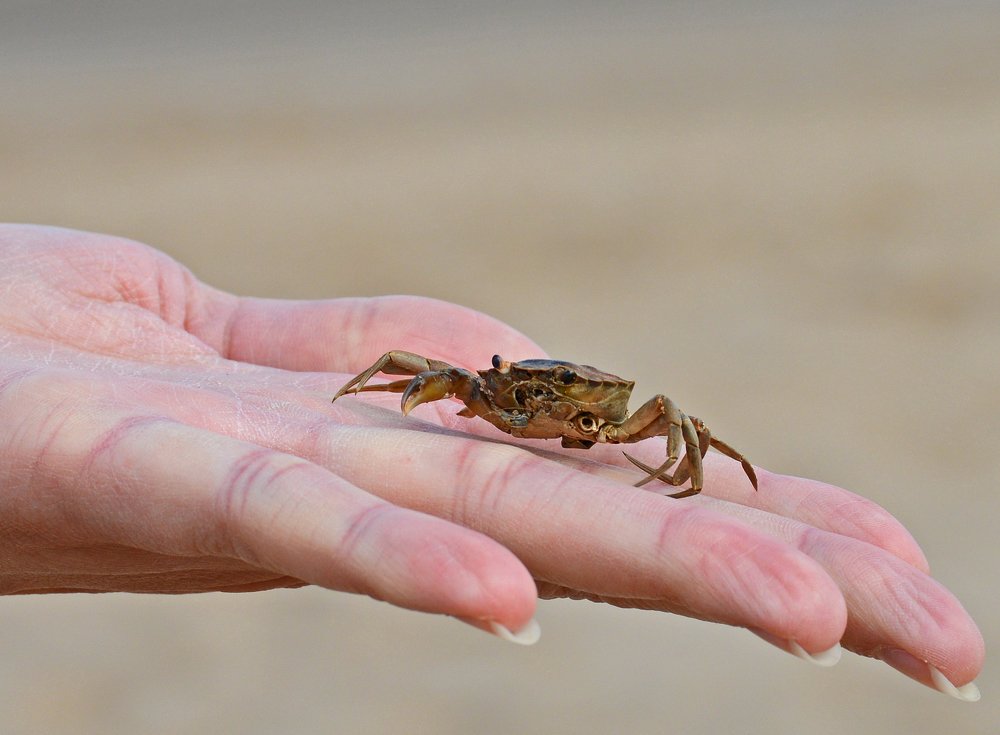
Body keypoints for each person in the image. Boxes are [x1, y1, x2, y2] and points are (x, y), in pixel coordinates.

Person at [0, 224, 982, 701]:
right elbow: (417, 370)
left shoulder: (614, 414)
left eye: (548, 397)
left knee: (687, 424)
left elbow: (677, 423)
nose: (528, 400)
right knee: (426, 372)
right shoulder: (498, 387)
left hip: (612, 411)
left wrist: (676, 471)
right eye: (522, 388)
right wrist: (384, 394)